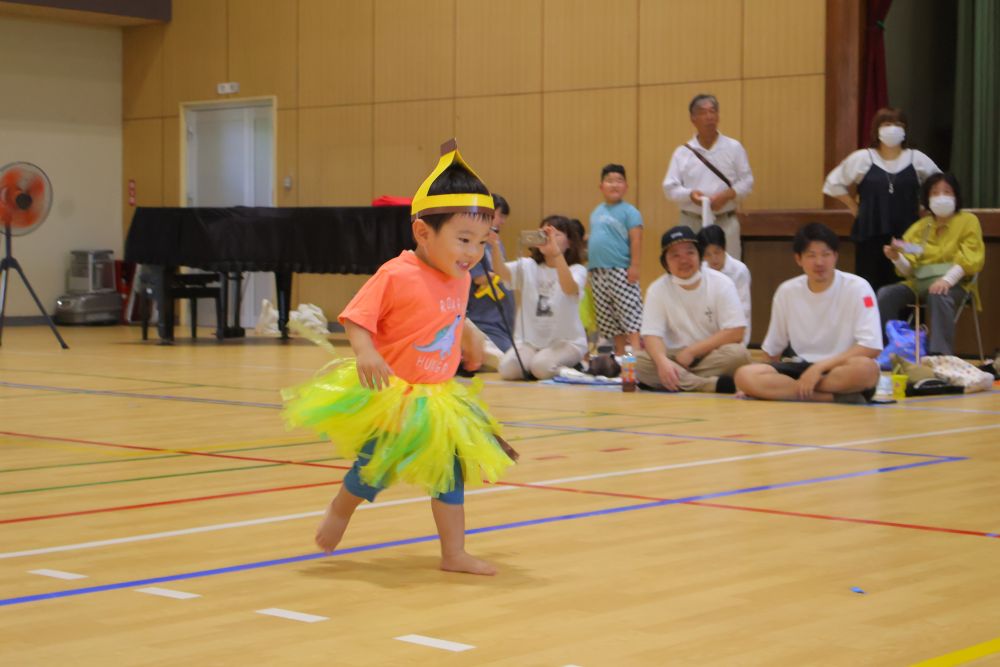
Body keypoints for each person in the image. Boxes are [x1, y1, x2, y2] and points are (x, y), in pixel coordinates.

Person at [282, 142, 515, 576]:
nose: (471, 253)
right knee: (375, 467)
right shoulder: (396, 273)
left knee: (449, 471)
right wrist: (366, 351)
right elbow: (356, 317)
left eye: (481, 242)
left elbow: (451, 313)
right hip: (394, 392)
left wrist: (468, 336)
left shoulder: (461, 276)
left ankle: (453, 553)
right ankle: (341, 508)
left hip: (438, 397)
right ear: (423, 232)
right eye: (463, 239)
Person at [735, 222, 882, 403]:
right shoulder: (787, 291)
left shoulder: (858, 288)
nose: (819, 262)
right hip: (801, 367)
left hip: (840, 367)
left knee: (866, 370)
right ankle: (829, 397)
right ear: (798, 259)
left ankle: (793, 391)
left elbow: (871, 347)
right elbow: (773, 350)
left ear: (835, 256)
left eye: (825, 254)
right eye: (811, 255)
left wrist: (819, 368)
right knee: (744, 375)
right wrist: (752, 384)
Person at [823, 107, 941, 292]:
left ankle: (903, 322)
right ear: (877, 129)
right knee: (868, 285)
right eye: (887, 124)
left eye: (898, 125)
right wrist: (853, 206)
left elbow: (939, 184)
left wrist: (923, 207)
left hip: (908, 233)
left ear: (905, 130)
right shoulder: (863, 158)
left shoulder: (916, 158)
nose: (892, 128)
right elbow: (832, 184)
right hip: (869, 231)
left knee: (904, 284)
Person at [877, 172, 985, 356]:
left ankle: (939, 356)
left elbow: (971, 257)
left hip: (956, 283)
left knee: (938, 294)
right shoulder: (921, 227)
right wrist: (896, 257)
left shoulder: (968, 221)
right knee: (886, 294)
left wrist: (946, 280)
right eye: (935, 193)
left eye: (947, 191)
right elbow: (909, 269)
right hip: (918, 282)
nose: (941, 197)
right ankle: (890, 349)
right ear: (927, 198)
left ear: (956, 196)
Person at [636, 226, 750, 393]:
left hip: (711, 355)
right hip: (673, 356)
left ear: (699, 255)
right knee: (639, 363)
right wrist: (662, 363)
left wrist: (692, 351)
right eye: (675, 255)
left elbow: (736, 331)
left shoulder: (721, 283)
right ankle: (709, 385)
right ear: (665, 262)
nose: (684, 260)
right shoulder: (657, 289)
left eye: (690, 252)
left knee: (739, 355)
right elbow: (651, 335)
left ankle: (673, 380)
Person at [491, 215, 588, 380]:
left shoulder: (577, 269)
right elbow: (502, 273)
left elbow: (569, 288)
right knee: (509, 369)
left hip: (566, 342)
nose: (548, 238)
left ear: (569, 242)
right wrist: (494, 245)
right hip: (530, 342)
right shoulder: (528, 265)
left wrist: (556, 254)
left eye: (556, 234)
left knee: (541, 367)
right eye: (544, 233)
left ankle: (575, 365)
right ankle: (536, 362)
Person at [662, 94, 754, 259]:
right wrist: (690, 195)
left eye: (713, 111)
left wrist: (728, 194)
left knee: (729, 270)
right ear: (693, 118)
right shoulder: (682, 153)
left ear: (718, 116)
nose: (709, 116)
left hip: (726, 221)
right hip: (692, 221)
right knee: (693, 269)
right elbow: (669, 189)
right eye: (703, 112)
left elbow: (747, 181)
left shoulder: (734, 147)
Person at [588, 163, 643, 357]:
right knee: (609, 318)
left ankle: (636, 354)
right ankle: (619, 357)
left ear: (626, 186)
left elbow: (636, 239)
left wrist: (634, 266)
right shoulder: (596, 212)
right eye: (609, 181)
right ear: (601, 186)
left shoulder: (630, 212)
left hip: (621, 269)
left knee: (629, 313)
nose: (614, 185)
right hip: (598, 272)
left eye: (619, 181)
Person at [465, 193, 516, 369]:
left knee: (511, 353)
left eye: (504, 217)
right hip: (483, 318)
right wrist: (506, 275)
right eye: (499, 215)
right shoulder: (474, 242)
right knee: (506, 358)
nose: (502, 221)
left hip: (500, 319)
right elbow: (480, 277)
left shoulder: (495, 242)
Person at [698, 224, 751, 346]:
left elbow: (744, 310)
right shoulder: (701, 270)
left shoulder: (739, 270)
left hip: (733, 333)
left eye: (717, 252)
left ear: (725, 248)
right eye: (708, 254)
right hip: (706, 334)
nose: (713, 259)